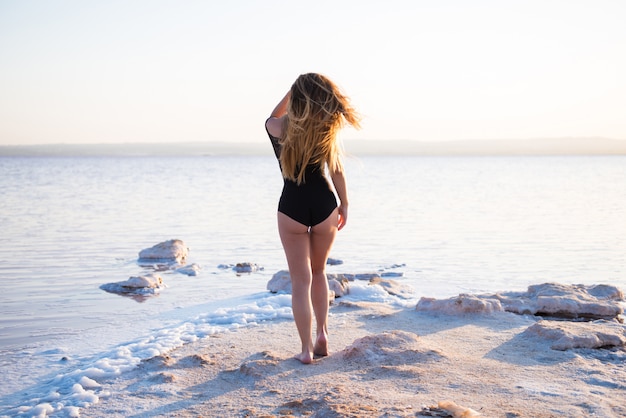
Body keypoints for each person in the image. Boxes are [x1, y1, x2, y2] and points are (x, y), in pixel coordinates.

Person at [265, 73, 360, 364]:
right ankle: (322, 334)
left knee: (299, 281)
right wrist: (344, 204)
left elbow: (271, 116)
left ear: (298, 98)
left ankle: (306, 350)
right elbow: (337, 171)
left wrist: (291, 92)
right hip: (323, 205)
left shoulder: (279, 128)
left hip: (291, 205)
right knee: (319, 272)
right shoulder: (326, 130)